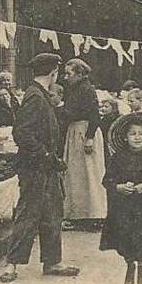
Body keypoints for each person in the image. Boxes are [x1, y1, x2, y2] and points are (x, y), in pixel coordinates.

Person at [0, 53, 80, 283]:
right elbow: (21, 133)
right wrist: (45, 154)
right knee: (28, 214)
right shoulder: (35, 96)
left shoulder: (40, 94)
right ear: (53, 73)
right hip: (35, 167)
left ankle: (53, 262)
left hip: (46, 166)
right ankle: (11, 265)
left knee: (53, 213)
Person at [100, 112, 142, 284]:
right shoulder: (118, 158)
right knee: (127, 240)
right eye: (133, 134)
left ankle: (141, 281)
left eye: (141, 134)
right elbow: (107, 180)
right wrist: (119, 187)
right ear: (125, 137)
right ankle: (130, 271)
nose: (137, 138)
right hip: (124, 207)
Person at [60, 58, 108, 225]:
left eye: (69, 74)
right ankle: (79, 213)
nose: (66, 77)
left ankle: (94, 213)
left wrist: (89, 138)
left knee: (89, 172)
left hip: (84, 132)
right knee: (76, 174)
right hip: (76, 131)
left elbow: (94, 115)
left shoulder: (87, 89)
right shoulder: (75, 88)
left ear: (80, 74)